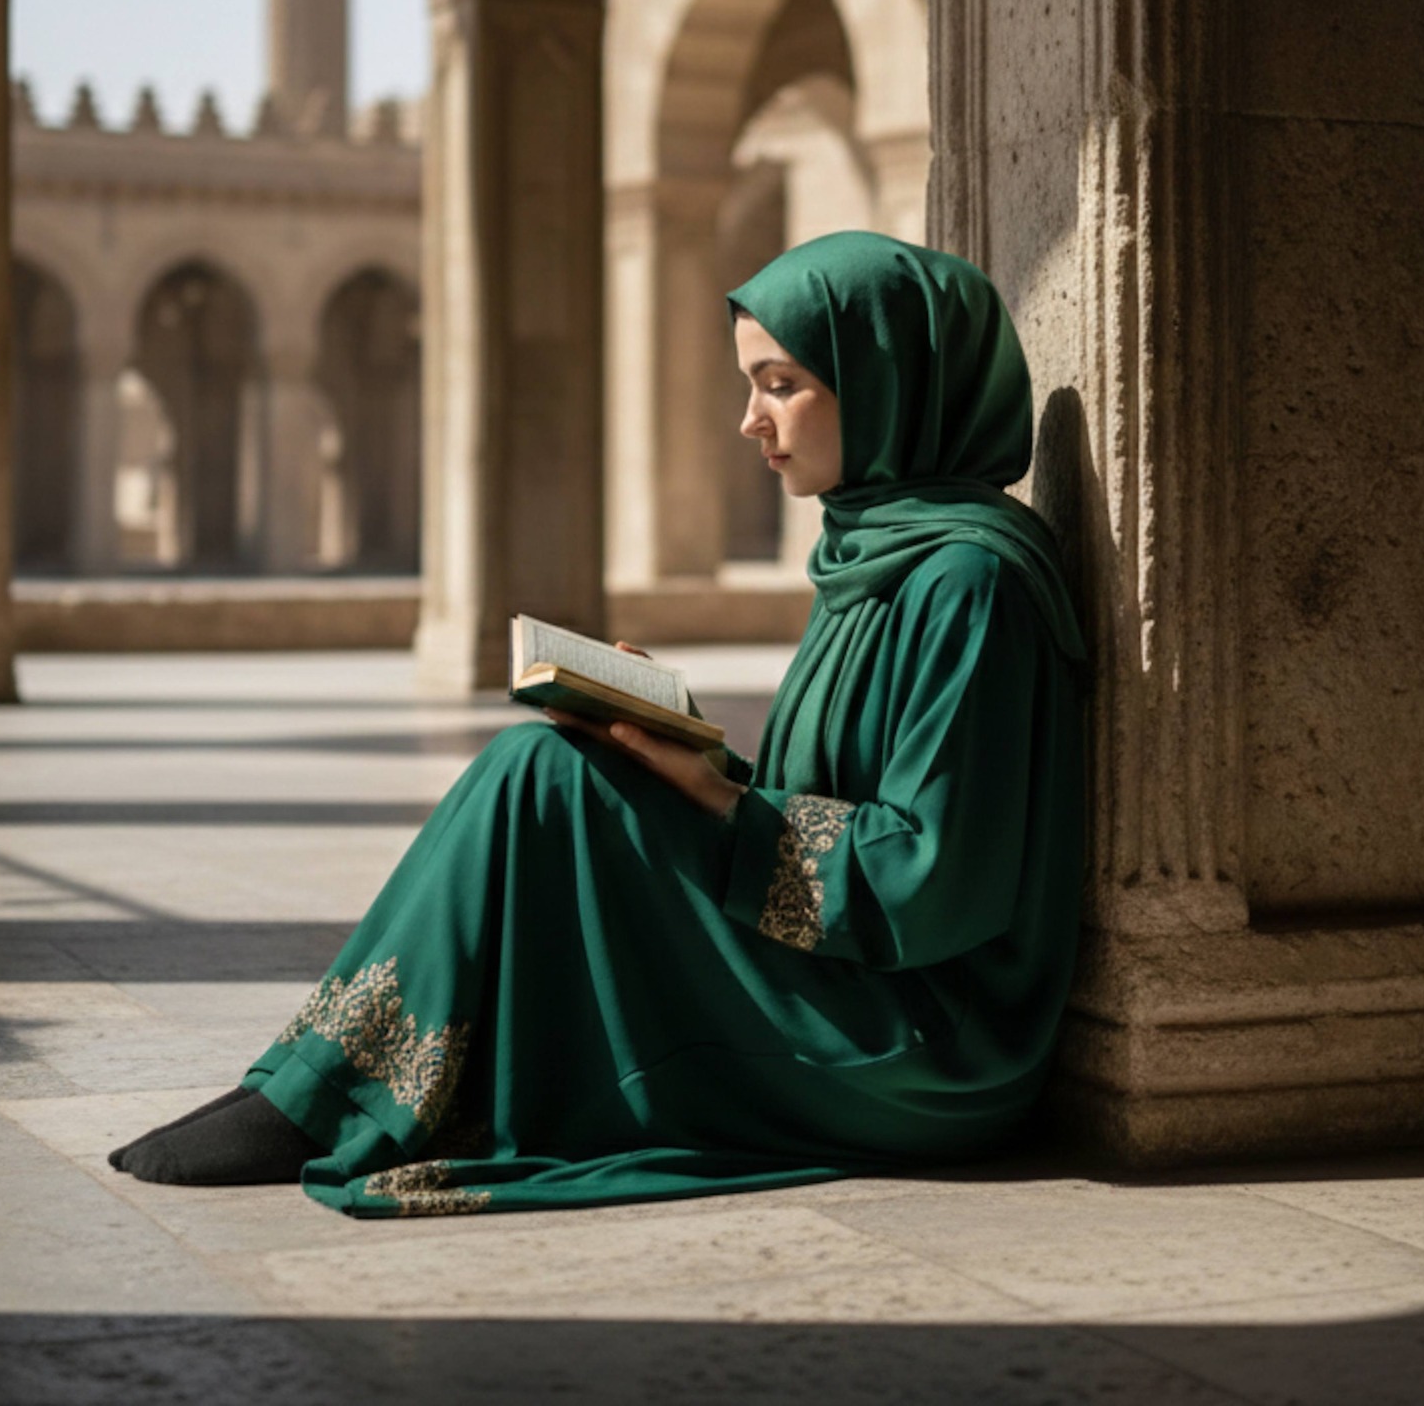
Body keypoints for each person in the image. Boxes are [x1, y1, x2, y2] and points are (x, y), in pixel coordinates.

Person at [108, 230, 1087, 1215]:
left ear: (884, 379)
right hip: (841, 967)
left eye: (780, 383)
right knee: (557, 755)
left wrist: (715, 797)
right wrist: (687, 749)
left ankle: (324, 1097)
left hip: (924, 1043)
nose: (748, 419)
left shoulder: (971, 580)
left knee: (540, 772)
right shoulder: (874, 549)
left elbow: (935, 879)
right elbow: (833, 804)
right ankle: (321, 1083)